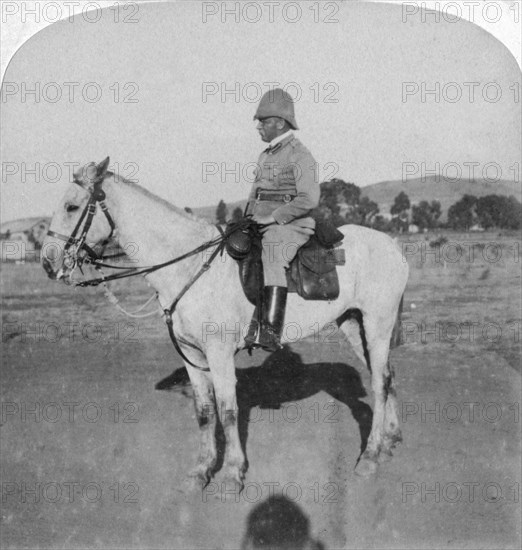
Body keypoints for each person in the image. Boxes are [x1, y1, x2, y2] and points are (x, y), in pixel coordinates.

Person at [244, 88, 320, 351]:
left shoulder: (300, 154)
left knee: (273, 254)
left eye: (263, 121)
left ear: (279, 123)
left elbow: (309, 198)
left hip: (293, 225)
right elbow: (255, 195)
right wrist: (247, 220)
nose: (258, 127)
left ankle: (270, 331)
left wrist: (273, 218)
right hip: (262, 222)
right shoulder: (266, 155)